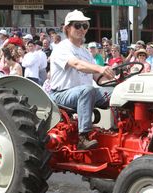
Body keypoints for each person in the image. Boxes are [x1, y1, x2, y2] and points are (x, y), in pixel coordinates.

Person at [49, 10, 115, 150]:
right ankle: (83, 137)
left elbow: (98, 78)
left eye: (85, 26)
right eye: (77, 25)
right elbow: (77, 65)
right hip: (61, 95)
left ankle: (118, 129)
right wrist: (99, 68)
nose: (82, 29)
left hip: (85, 93)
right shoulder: (61, 48)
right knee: (87, 90)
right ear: (67, 28)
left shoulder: (85, 52)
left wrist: (114, 80)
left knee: (117, 93)